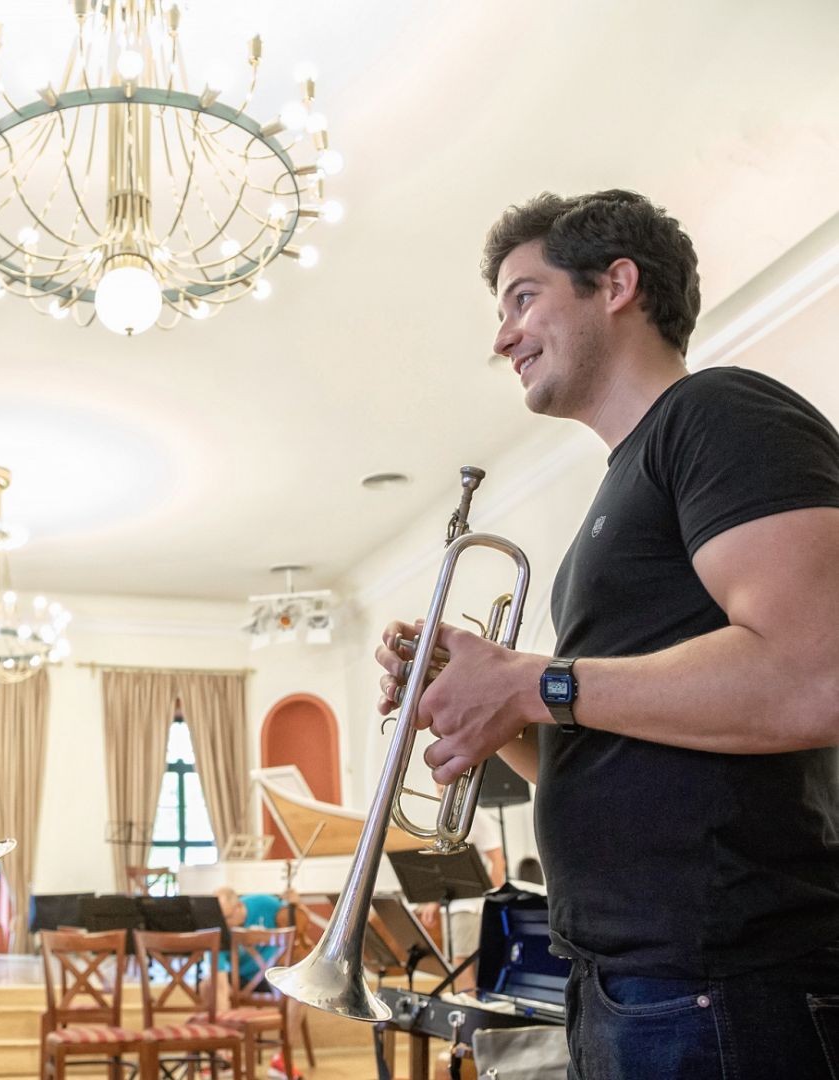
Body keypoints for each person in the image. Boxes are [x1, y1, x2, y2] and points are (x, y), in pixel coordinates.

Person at [375, 190, 839, 1078]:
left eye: (522, 298)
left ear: (616, 285)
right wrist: (482, 701)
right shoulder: (620, 487)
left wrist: (531, 682)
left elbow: (814, 675)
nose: (502, 338)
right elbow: (599, 745)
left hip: (723, 982)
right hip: (624, 982)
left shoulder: (719, 413)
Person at [215, 886, 305, 1079]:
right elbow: (220, 981)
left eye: (227, 918)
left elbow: (296, 916)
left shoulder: (263, 903)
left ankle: (282, 1059)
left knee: (300, 991)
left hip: (272, 974)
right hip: (240, 978)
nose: (224, 923)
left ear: (238, 907)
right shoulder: (218, 927)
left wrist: (296, 903)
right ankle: (224, 1054)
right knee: (208, 985)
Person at [414, 803, 505, 993]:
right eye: (439, 790)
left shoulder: (475, 815)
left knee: (461, 962)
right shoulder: (446, 817)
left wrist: (494, 901)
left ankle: (467, 1007)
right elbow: (446, 868)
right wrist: (434, 901)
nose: (441, 791)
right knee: (457, 963)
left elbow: (497, 859)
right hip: (453, 903)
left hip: (470, 905)